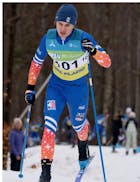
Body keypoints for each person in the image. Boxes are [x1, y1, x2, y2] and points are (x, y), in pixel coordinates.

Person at [24, 4, 111, 182]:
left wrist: (93, 51)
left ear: (74, 26)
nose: (63, 29)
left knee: (78, 126)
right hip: (56, 87)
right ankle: (45, 173)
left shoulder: (83, 38)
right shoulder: (48, 39)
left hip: (78, 89)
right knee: (49, 128)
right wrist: (30, 88)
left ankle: (82, 148)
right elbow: (36, 63)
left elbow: (107, 62)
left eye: (68, 25)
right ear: (55, 22)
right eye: (60, 24)